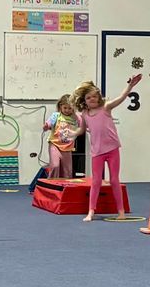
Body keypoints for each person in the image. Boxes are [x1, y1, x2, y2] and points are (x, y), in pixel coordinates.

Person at [74, 74, 141, 221]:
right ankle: (91, 211)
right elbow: (82, 130)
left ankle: (121, 211)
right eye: (88, 98)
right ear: (84, 101)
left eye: (94, 96)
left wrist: (130, 86)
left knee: (114, 180)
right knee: (96, 181)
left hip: (112, 149)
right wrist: (72, 133)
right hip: (97, 152)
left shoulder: (106, 107)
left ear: (99, 97)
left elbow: (121, 98)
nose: (92, 99)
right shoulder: (84, 114)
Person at [42, 93, 80, 178]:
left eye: (70, 108)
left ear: (73, 108)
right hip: (55, 144)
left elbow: (83, 126)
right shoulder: (56, 115)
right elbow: (49, 123)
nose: (67, 110)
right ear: (60, 106)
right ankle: (52, 182)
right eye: (65, 108)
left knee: (67, 171)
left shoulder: (75, 118)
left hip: (67, 147)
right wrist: (46, 126)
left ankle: (65, 184)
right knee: (55, 166)